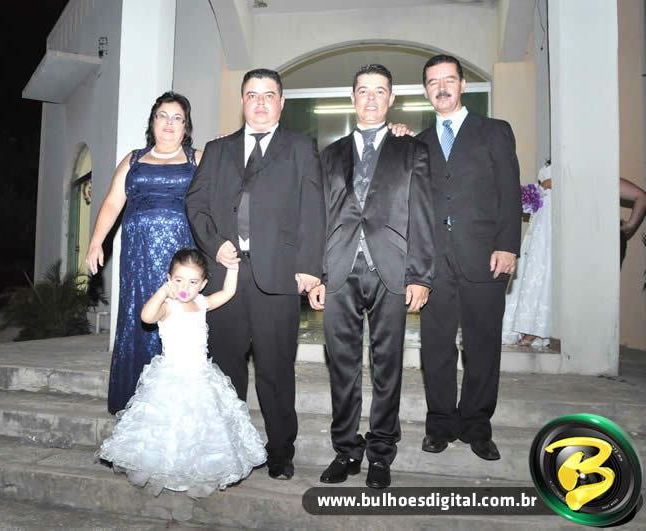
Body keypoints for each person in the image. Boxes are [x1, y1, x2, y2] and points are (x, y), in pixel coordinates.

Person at [185, 68, 325, 480]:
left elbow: (313, 208)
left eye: (268, 95)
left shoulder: (301, 147)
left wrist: (309, 267)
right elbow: (196, 204)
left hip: (279, 276)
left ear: (281, 102)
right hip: (224, 275)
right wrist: (215, 244)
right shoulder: (217, 149)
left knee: (275, 369)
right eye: (252, 94)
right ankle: (231, 446)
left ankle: (280, 449)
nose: (260, 102)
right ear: (242, 101)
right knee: (226, 366)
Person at [308, 64, 435, 489]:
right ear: (352, 97)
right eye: (363, 90)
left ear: (391, 98)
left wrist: (421, 275)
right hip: (338, 270)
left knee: (387, 367)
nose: (371, 98)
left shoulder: (412, 150)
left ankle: (381, 452)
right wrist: (317, 274)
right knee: (341, 366)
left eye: (380, 91)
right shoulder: (329, 154)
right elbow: (318, 217)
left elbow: (423, 215)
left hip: (392, 270)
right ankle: (346, 449)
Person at [417, 55, 521, 461]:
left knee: (482, 345)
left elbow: (509, 191)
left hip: (485, 256)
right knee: (435, 346)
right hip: (433, 262)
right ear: (426, 90)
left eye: (448, 80)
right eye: (433, 82)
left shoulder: (494, 132)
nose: (441, 88)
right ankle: (440, 423)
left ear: (462, 85)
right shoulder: (418, 143)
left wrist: (508, 245)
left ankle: (477, 425)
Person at [97, 249, 266, 498]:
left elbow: (228, 293)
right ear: (169, 279)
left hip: (201, 376)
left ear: (203, 284)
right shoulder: (168, 307)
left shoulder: (201, 303)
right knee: (170, 427)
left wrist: (233, 268)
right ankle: (168, 469)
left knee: (199, 429)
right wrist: (163, 292)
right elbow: (146, 316)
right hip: (170, 377)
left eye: (193, 282)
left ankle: (196, 470)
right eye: (178, 280)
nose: (185, 287)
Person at [86, 92, 201, 414]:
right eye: (162, 116)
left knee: (177, 320)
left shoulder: (198, 159)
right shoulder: (133, 159)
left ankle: (175, 405)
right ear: (152, 122)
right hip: (137, 256)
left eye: (177, 118)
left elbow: (219, 195)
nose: (169, 123)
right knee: (138, 316)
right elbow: (113, 202)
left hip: (180, 256)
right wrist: (97, 241)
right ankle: (135, 399)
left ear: (186, 126)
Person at [502, 162, 552, 348]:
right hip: (541, 217)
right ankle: (520, 325)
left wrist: (544, 187)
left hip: (550, 220)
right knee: (529, 267)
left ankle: (535, 328)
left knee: (543, 266)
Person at [620, 178, 646, 266]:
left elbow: (642, 197)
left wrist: (629, 226)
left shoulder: (602, 178)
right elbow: (642, 197)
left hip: (607, 242)